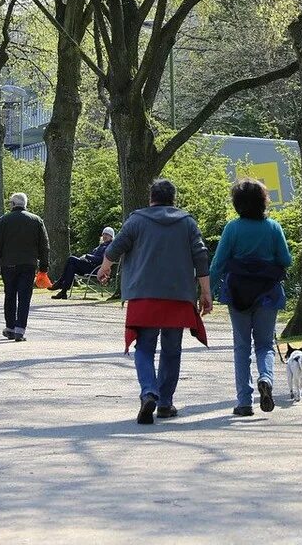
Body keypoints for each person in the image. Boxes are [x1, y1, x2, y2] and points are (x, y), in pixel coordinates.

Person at [97, 178, 210, 425]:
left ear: (151, 198)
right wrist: (205, 291)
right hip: (178, 296)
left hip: (143, 295)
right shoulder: (187, 222)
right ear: (173, 199)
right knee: (172, 350)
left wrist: (105, 268)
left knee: (145, 348)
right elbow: (201, 256)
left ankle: (149, 391)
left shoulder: (137, 220)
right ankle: (166, 403)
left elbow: (115, 248)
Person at [209, 178, 292, 416]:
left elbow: (218, 263)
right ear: (263, 202)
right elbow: (285, 260)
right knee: (265, 344)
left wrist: (206, 292)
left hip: (238, 294)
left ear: (238, 203)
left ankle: (244, 402)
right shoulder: (273, 228)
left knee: (241, 347)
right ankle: (265, 379)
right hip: (267, 293)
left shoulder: (232, 228)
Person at [0, 192, 49, 342]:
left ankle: (10, 327)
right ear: (25, 204)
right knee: (25, 297)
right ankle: (20, 329)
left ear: (13, 204)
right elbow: (44, 246)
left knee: (10, 296)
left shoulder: (3, 221)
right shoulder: (36, 220)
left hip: (8, 264)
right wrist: (44, 266)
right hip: (28, 264)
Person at [50, 227, 115, 299]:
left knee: (71, 259)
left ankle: (60, 283)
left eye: (107, 235)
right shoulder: (101, 245)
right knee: (71, 267)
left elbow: (100, 260)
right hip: (89, 266)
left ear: (111, 237)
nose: (105, 236)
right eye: (104, 234)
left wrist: (87, 256)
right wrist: (85, 257)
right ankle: (63, 292)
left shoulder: (109, 247)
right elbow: (93, 255)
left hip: (95, 269)